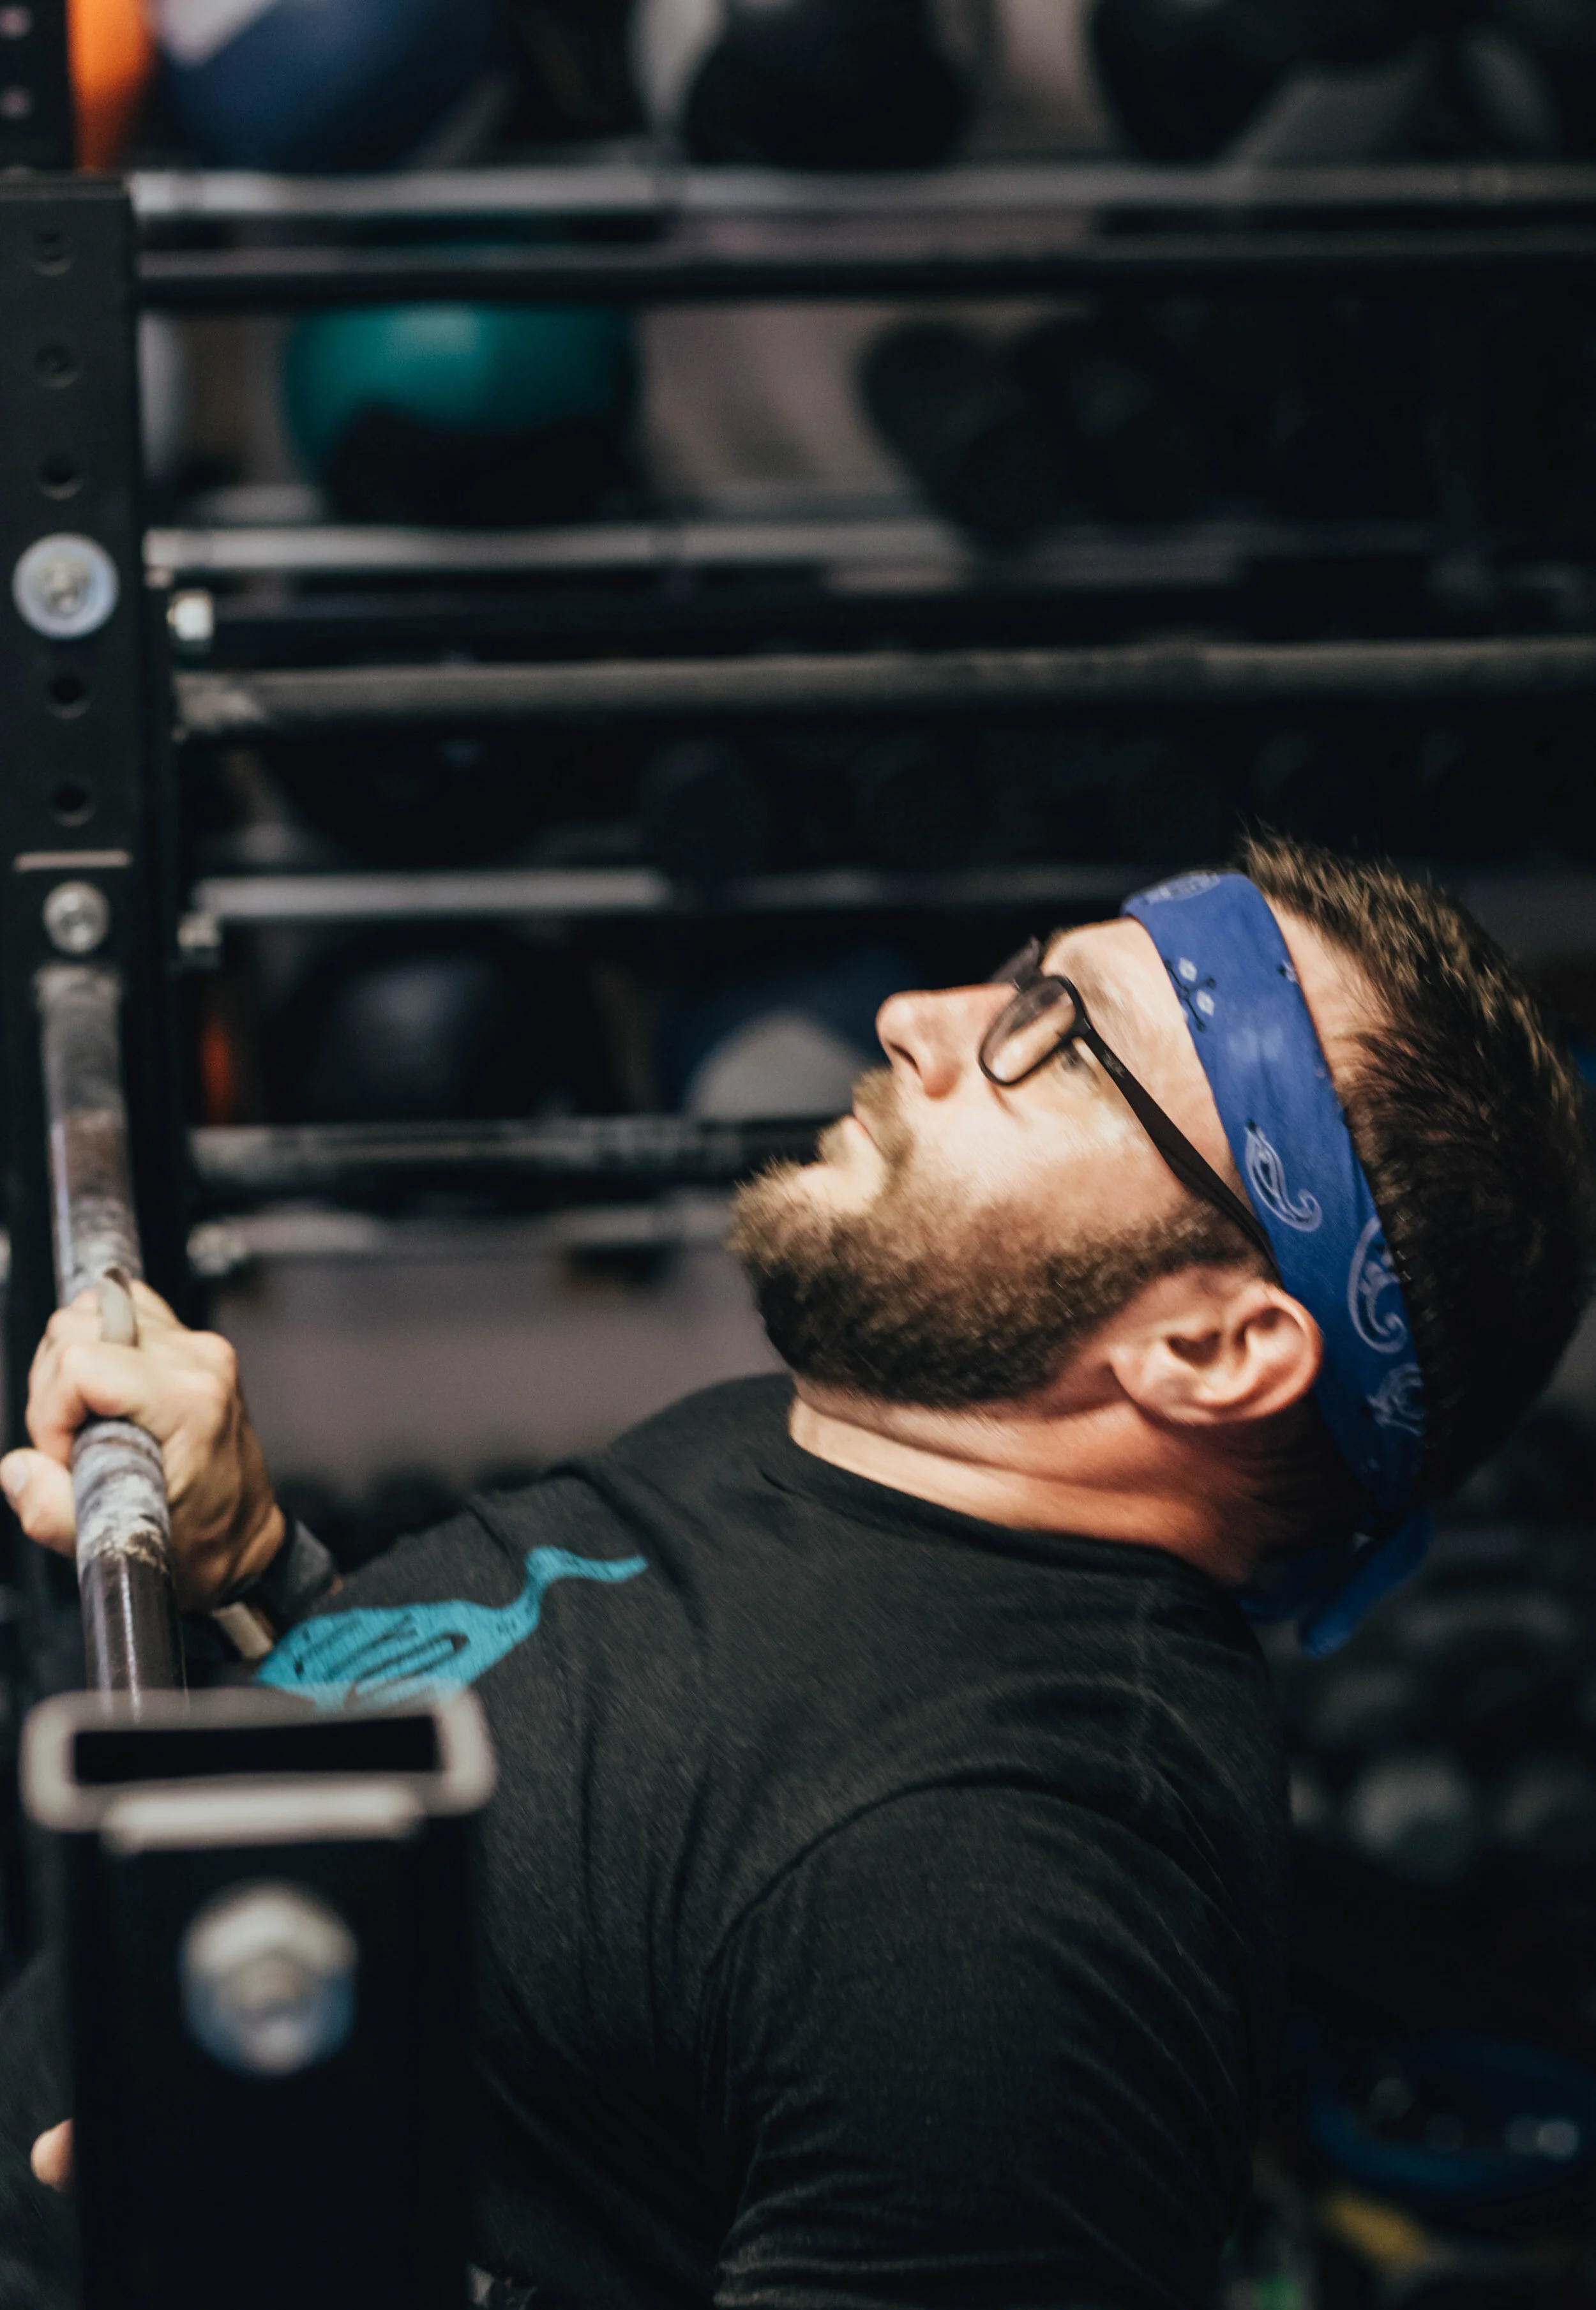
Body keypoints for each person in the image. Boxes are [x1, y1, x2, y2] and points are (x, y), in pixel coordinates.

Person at [0, 831, 1590, 2310]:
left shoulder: (1011, 1905)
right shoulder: (834, 1449)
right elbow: (550, 1854)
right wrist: (254, 1568)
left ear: (1212, 1346)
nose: (917, 1016)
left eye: (1054, 1031)